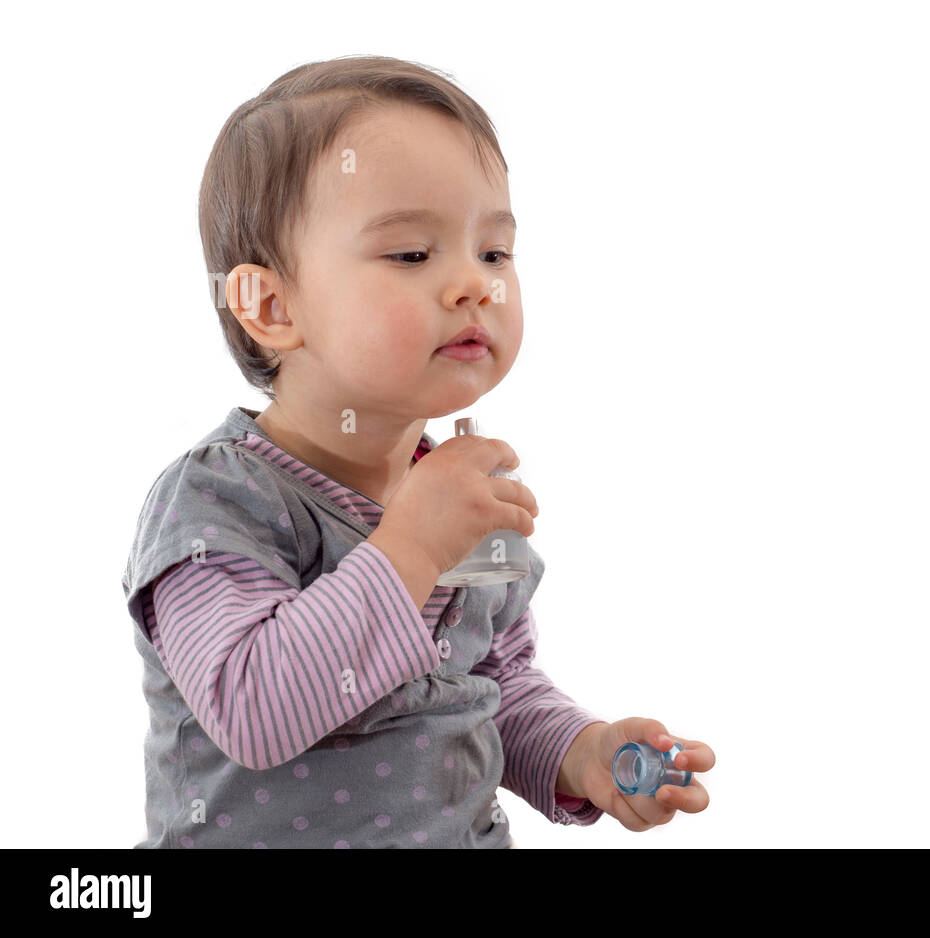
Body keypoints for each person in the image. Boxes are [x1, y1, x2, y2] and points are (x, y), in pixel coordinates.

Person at [120, 54, 713, 848]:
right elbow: (250, 707)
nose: (475, 285)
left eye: (494, 253)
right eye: (410, 254)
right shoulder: (218, 503)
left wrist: (581, 752)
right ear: (270, 304)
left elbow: (492, 685)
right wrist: (413, 544)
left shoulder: (466, 494)